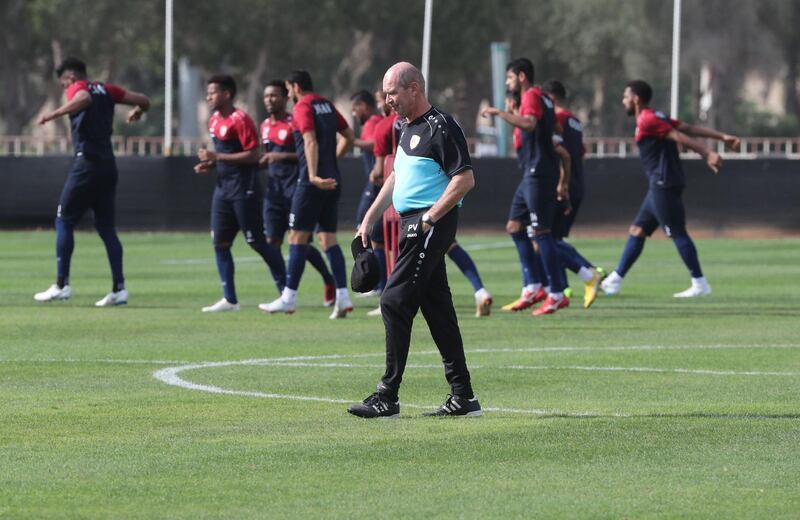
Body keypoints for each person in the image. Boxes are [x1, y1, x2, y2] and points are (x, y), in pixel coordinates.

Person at [348, 62, 482, 419]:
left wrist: (429, 218)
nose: (386, 99)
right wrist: (369, 218)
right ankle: (463, 396)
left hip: (429, 223)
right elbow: (396, 175)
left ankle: (387, 395)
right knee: (438, 311)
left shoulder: (442, 125)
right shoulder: (405, 127)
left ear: (414, 89)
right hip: (413, 222)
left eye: (391, 93)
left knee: (393, 300)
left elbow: (465, 179)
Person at [601, 80, 740, 297]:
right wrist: (722, 137)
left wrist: (707, 154)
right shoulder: (656, 116)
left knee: (677, 232)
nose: (623, 101)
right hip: (659, 183)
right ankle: (614, 280)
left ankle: (700, 283)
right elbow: (688, 128)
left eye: (626, 97)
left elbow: (679, 135)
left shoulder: (648, 119)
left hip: (663, 183)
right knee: (637, 230)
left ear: (636, 99)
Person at [34, 57, 150, 306]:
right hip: (108, 164)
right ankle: (119, 289)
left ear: (71, 78)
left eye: (64, 84)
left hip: (86, 164)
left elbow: (83, 99)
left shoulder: (79, 89)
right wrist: (138, 111)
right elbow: (143, 100)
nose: (66, 90)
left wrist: (53, 114)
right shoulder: (107, 89)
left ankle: (62, 285)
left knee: (63, 219)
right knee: (106, 228)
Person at [260, 70, 356, 318]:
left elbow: (310, 141)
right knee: (328, 240)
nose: (288, 93)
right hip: (333, 179)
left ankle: (288, 298)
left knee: (296, 238)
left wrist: (313, 174)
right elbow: (348, 136)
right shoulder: (326, 104)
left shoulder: (303, 106)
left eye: (288, 89)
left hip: (311, 183)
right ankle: (343, 297)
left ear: (294, 87)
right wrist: (331, 162)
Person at [482, 58, 570, 316]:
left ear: (521, 77)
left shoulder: (531, 94)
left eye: (509, 78)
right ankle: (533, 286)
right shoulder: (543, 96)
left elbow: (530, 123)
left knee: (541, 233)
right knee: (515, 226)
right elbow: (554, 126)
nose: (508, 83)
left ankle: (555, 294)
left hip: (539, 172)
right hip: (534, 172)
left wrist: (501, 113)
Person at [194, 74, 287, 313]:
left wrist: (217, 157)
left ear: (226, 94)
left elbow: (254, 155)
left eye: (213, 92)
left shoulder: (241, 119)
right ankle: (230, 299)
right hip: (222, 190)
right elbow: (223, 156)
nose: (208, 97)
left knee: (256, 241)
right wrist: (211, 164)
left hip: (244, 189)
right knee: (220, 242)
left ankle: (287, 291)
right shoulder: (214, 120)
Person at [543, 80, 604, 309]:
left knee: (543, 238)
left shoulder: (557, 119)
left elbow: (563, 154)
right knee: (552, 238)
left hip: (563, 185)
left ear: (551, 98)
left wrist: (562, 183)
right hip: (576, 182)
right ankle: (562, 287)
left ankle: (589, 273)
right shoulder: (575, 121)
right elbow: (581, 153)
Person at [350, 89, 386, 298]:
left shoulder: (373, 122)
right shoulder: (372, 123)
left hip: (377, 185)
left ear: (363, 106)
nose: (354, 114)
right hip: (375, 183)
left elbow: (374, 143)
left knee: (364, 228)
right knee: (376, 237)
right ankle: (379, 283)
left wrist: (350, 140)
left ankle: (377, 281)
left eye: (355, 109)